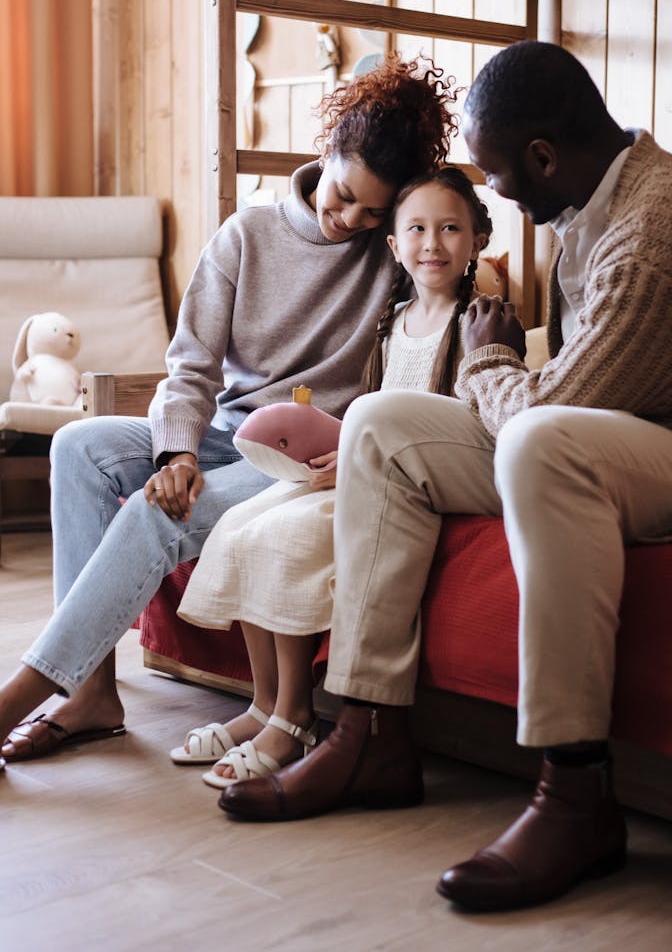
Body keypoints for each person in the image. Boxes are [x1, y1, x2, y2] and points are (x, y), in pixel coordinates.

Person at [215, 40, 672, 913]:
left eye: (497, 176)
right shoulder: (596, 198)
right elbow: (559, 398)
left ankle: (575, 793)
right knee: (380, 424)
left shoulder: (654, 236)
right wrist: (506, 376)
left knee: (541, 442)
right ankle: (369, 729)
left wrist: (492, 356)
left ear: (542, 155)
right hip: (608, 427)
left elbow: (542, 410)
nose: (495, 193)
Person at [0, 55, 459, 770]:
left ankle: (21, 692)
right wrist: (175, 452)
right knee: (78, 448)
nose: (352, 220)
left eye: (375, 211)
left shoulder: (393, 252)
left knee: (159, 514)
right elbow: (191, 367)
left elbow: (448, 288)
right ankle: (91, 693)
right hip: (218, 434)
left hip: (293, 461)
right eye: (344, 196)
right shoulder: (246, 236)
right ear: (326, 148)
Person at [170, 166, 492, 788]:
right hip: (357, 464)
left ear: (477, 239)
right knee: (238, 525)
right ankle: (262, 703)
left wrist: (358, 463)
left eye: (451, 228)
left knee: (284, 537)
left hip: (409, 479)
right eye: (417, 229)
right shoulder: (389, 322)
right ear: (393, 246)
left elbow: (465, 423)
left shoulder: (478, 320)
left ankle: (293, 717)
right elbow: (366, 408)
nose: (433, 243)